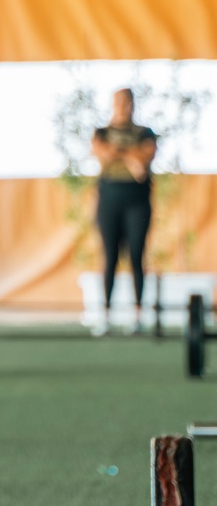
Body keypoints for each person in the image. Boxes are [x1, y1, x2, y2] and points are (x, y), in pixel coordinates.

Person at [89, 88, 157, 336]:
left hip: (137, 201)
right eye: (120, 102)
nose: (124, 107)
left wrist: (119, 152)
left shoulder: (145, 133)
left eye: (128, 102)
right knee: (110, 255)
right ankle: (105, 314)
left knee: (137, 255)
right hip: (109, 200)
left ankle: (138, 315)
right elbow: (103, 156)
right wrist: (129, 153)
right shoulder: (102, 132)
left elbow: (141, 167)